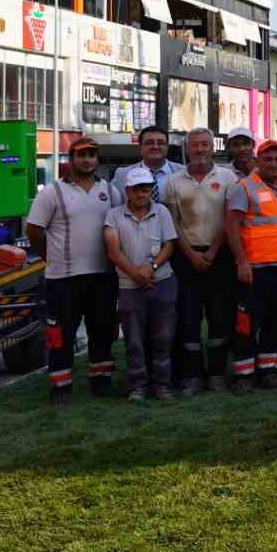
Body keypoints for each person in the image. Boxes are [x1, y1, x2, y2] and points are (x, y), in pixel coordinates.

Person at [27, 135, 119, 403]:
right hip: (63, 279)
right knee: (61, 335)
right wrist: (49, 257)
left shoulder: (110, 191)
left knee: (102, 331)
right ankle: (60, 387)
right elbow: (33, 230)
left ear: (97, 159)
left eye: (91, 154)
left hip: (102, 276)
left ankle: (101, 382)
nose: (87, 160)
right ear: (72, 159)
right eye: (81, 155)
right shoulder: (53, 192)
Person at [163, 128, 239, 396]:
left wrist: (212, 251)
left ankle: (217, 374)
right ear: (187, 148)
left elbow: (229, 219)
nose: (199, 149)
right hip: (186, 258)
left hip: (220, 257)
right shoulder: (173, 181)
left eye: (204, 144)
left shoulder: (228, 178)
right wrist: (192, 254)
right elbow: (172, 223)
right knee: (188, 318)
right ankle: (193, 376)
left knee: (220, 318)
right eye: (194, 145)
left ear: (212, 147)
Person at [224, 139, 277, 394]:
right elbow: (231, 227)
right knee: (246, 323)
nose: (274, 164)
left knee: (275, 322)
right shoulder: (243, 188)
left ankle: (268, 371)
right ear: (258, 161)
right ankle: (243, 375)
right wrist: (242, 262)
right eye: (268, 159)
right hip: (253, 268)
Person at [103, 170, 179, 401]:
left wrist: (151, 268)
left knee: (164, 338)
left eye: (145, 188)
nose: (141, 193)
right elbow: (113, 252)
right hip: (129, 286)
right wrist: (136, 274)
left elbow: (169, 246)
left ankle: (162, 385)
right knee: (134, 340)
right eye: (136, 189)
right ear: (127, 191)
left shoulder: (162, 211)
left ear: (151, 190)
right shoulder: (113, 216)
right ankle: (137, 386)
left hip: (163, 282)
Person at [113, 125, 183, 202]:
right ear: (140, 147)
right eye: (149, 143)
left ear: (167, 147)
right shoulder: (122, 175)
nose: (155, 147)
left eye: (160, 143)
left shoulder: (184, 172)